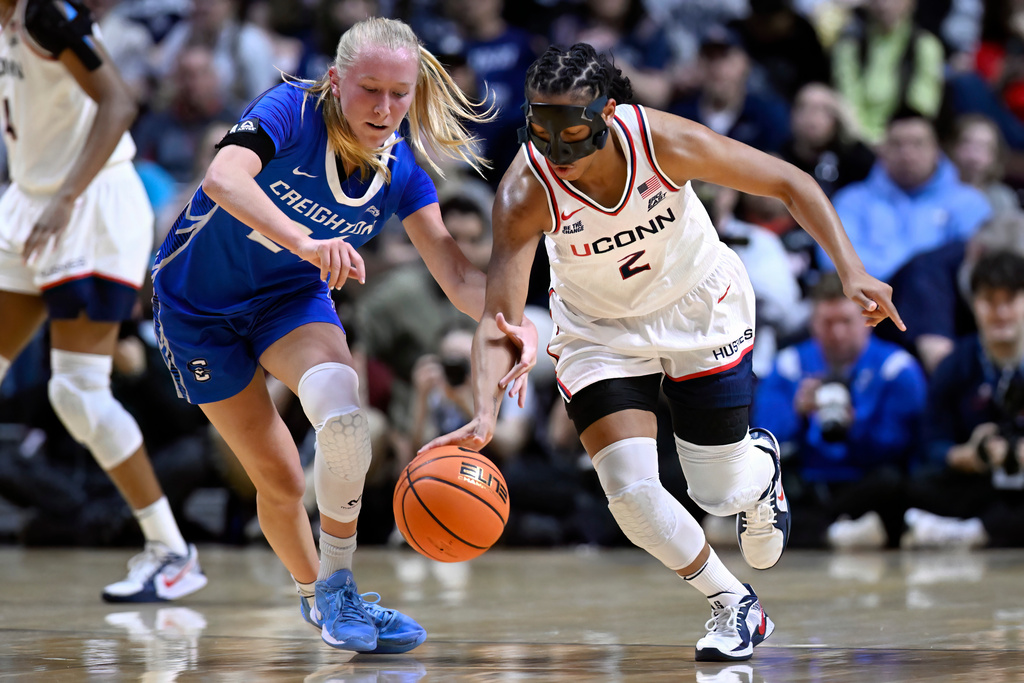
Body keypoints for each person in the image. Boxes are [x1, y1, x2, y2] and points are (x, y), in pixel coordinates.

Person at [423, 43, 903, 662]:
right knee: (630, 495)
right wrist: (486, 413)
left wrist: (852, 270)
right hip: (600, 331)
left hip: (699, 310)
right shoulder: (525, 192)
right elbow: (498, 317)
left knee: (718, 495)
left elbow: (790, 181)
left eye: (573, 132)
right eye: (542, 131)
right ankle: (734, 604)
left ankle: (760, 474)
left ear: (608, 112)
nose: (558, 150)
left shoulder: (663, 141)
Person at [149, 17, 536, 653]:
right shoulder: (290, 110)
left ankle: (338, 590)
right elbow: (222, 178)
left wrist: (512, 322)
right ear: (335, 81)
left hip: (287, 299)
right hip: (198, 307)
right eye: (370, 90)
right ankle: (313, 595)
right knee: (280, 479)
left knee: (346, 422)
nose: (386, 108)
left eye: (400, 93)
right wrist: (303, 240)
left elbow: (462, 280)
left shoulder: (403, 172)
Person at [0, 0, 205, 602]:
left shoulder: (46, 13)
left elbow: (119, 100)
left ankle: (171, 552)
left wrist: (67, 196)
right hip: (30, 201)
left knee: (78, 392)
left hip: (88, 204)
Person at [753, 272, 927, 549]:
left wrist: (855, 426)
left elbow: (904, 446)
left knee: (894, 482)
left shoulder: (896, 368)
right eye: (827, 323)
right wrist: (797, 412)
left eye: (846, 321)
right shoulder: (789, 365)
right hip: (810, 481)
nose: (837, 333)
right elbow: (761, 437)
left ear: (866, 321)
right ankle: (835, 532)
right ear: (813, 324)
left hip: (864, 481)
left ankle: (812, 533)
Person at [906, 250, 1024, 549]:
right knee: (903, 486)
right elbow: (930, 445)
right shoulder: (955, 365)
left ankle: (972, 532)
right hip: (976, 484)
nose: (1000, 313)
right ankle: (982, 528)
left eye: (1009, 301)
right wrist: (968, 455)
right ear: (973, 305)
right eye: (989, 301)